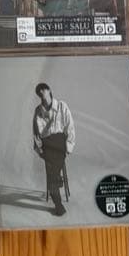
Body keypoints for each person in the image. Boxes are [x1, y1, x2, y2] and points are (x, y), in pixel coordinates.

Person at [32, 82, 76, 217]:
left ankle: (55, 182)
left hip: (59, 143)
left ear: (49, 90)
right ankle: (58, 202)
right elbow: (35, 133)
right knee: (52, 170)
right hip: (47, 145)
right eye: (39, 92)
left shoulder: (62, 106)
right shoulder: (38, 111)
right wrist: (39, 150)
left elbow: (70, 127)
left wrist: (68, 146)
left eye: (43, 90)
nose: (41, 93)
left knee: (51, 170)